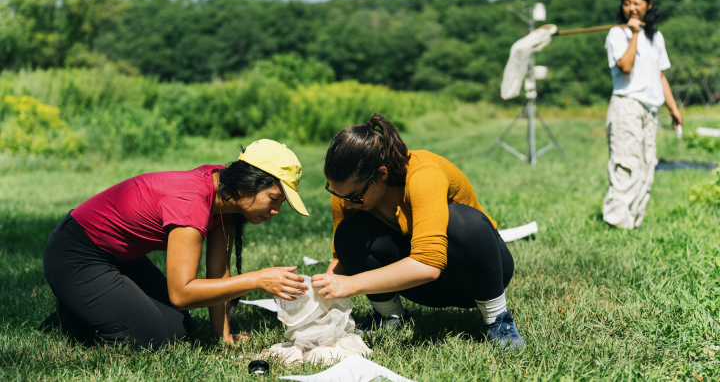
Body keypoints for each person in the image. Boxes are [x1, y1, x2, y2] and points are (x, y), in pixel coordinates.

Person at [41, 139, 310, 350]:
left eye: (281, 203)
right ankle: (75, 312)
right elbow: (181, 293)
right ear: (246, 186)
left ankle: (92, 305)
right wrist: (257, 279)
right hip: (76, 254)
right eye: (273, 198)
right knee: (151, 339)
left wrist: (224, 337)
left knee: (180, 330)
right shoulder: (192, 203)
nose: (276, 210)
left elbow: (219, 273)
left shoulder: (227, 196)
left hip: (120, 259)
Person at [310, 113, 525, 348]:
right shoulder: (348, 194)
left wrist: (351, 285)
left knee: (460, 219)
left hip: (477, 276)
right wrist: (323, 288)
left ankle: (497, 319)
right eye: (335, 192)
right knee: (348, 231)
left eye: (353, 196)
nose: (346, 203)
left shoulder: (424, 175)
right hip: (420, 286)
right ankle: (390, 317)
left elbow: (429, 265)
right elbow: (344, 254)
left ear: (382, 174)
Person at [603, 0, 683, 229]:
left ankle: (634, 222)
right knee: (627, 163)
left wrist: (673, 109)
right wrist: (634, 34)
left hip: (651, 109)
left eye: (637, 3)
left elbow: (659, 76)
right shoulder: (617, 34)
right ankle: (617, 223)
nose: (631, 8)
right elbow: (625, 67)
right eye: (627, 3)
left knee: (648, 165)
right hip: (627, 105)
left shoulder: (656, 37)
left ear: (649, 5)